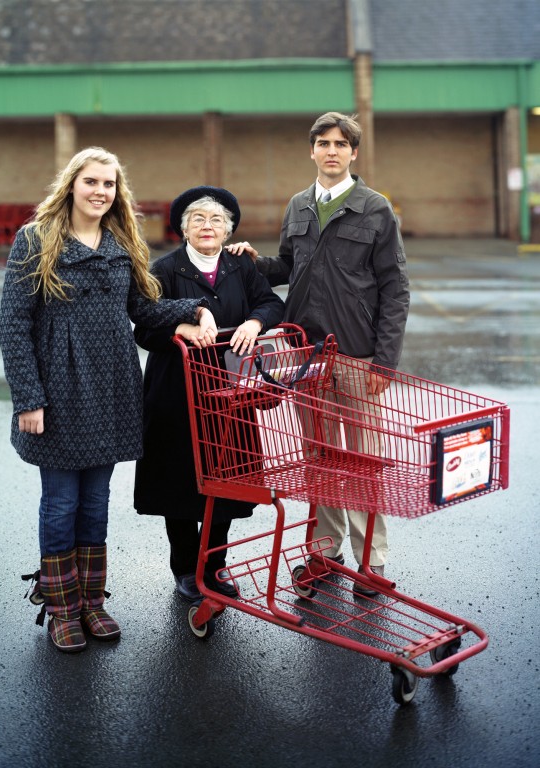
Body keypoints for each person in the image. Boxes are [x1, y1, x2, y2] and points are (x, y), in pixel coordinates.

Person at [0, 148, 217, 652]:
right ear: (71, 185)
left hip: (112, 388)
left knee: (95, 503)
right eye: (91, 182)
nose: (101, 191)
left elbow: (143, 306)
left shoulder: (122, 242)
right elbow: (14, 326)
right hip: (57, 392)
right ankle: (60, 607)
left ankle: (91, 602)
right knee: (61, 503)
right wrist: (28, 398)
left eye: (109, 184)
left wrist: (195, 309)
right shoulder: (36, 241)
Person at [228, 112, 410, 596]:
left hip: (357, 358)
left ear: (353, 153)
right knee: (320, 460)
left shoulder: (375, 210)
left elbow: (395, 288)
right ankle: (323, 552)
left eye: (341, 144)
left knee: (364, 461)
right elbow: (289, 266)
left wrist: (384, 360)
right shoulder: (298, 206)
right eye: (323, 143)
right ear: (312, 150)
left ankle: (371, 562)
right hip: (307, 356)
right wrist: (255, 263)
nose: (331, 151)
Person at [133, 186, 285, 603]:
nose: (207, 226)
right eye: (198, 219)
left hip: (229, 391)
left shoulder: (241, 267)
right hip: (176, 392)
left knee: (227, 479)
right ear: (184, 229)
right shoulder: (164, 269)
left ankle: (213, 567)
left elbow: (272, 303)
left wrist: (255, 323)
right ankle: (185, 568)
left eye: (216, 220)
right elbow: (144, 327)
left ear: (228, 230)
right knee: (179, 482)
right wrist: (179, 328)